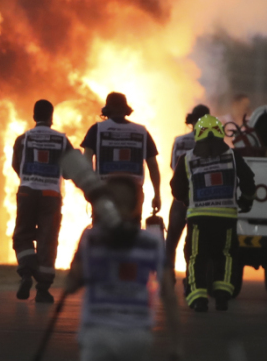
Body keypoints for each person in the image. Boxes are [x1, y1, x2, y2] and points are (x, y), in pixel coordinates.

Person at [64, 174, 180, 361]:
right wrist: (176, 344)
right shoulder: (152, 242)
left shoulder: (91, 238)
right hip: (137, 336)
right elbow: (169, 295)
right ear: (137, 205)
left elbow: (71, 284)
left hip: (97, 332)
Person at [170, 115, 256, 312]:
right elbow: (249, 181)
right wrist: (246, 201)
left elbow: (176, 189)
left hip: (198, 218)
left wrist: (187, 200)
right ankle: (222, 296)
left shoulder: (187, 158)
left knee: (196, 256)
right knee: (225, 255)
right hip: (226, 217)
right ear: (220, 133)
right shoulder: (233, 156)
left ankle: (198, 298)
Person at [11, 99, 72, 303]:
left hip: (27, 193)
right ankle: (43, 289)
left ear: (34, 116)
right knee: (48, 240)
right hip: (51, 196)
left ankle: (26, 274)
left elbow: (16, 165)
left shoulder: (23, 139)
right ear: (51, 117)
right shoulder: (62, 140)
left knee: (22, 235)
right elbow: (70, 172)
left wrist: (30, 178)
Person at [80, 92, 162, 214]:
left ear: (107, 109)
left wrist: (89, 188)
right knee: (131, 230)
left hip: (104, 191)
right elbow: (153, 166)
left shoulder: (96, 129)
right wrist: (157, 194)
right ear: (126, 109)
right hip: (134, 192)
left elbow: (86, 161)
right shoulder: (142, 132)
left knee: (103, 230)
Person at [164, 105, 209, 288]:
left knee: (172, 240)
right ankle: (193, 279)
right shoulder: (211, 144)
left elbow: (173, 166)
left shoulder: (179, 141)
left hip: (181, 197)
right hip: (203, 198)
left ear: (190, 121)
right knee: (196, 243)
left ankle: (167, 278)